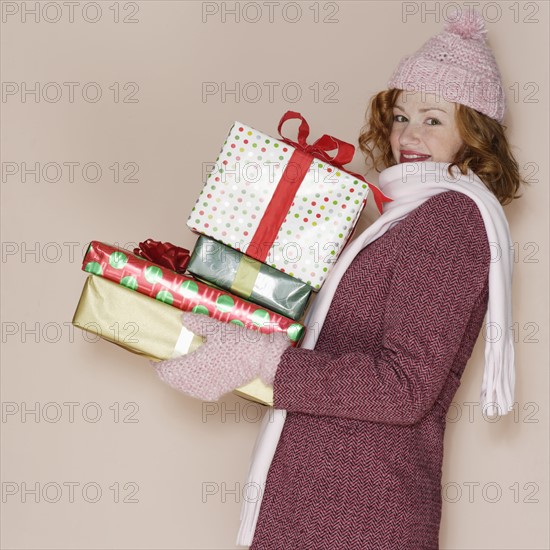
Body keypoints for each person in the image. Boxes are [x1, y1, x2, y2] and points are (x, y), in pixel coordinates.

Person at [154, 9, 524, 549]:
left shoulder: (449, 219)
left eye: (433, 118)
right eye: (399, 116)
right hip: (328, 503)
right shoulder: (406, 217)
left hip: (359, 513)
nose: (408, 134)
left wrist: (264, 359)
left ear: (475, 134)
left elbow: (405, 389)